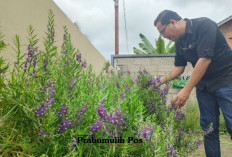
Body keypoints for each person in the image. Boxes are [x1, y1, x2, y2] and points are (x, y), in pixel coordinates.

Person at [154, 10, 232, 157]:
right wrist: (158, 82)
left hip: (226, 81)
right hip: (204, 87)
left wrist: (185, 90)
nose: (164, 37)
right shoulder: (179, 41)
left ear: (172, 22)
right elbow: (179, 67)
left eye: (163, 32)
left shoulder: (204, 25)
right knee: (208, 130)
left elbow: (205, 59)